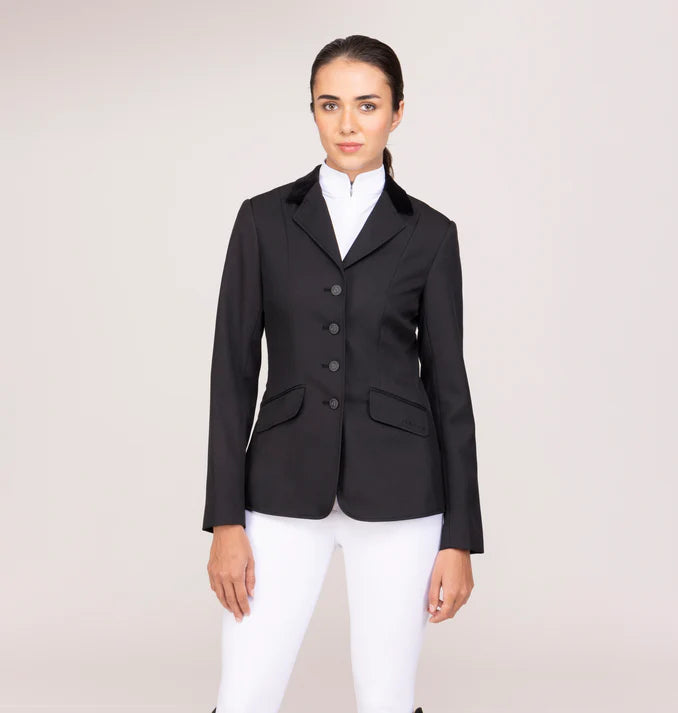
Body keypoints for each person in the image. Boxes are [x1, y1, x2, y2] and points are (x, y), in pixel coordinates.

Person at [203, 34, 484, 713]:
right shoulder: (262, 220)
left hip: (402, 493)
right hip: (279, 485)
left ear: (397, 112)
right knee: (244, 693)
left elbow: (450, 391)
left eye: (367, 105)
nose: (348, 123)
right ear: (313, 111)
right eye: (330, 105)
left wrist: (459, 539)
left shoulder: (430, 234)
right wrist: (224, 520)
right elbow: (232, 374)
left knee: (387, 695)